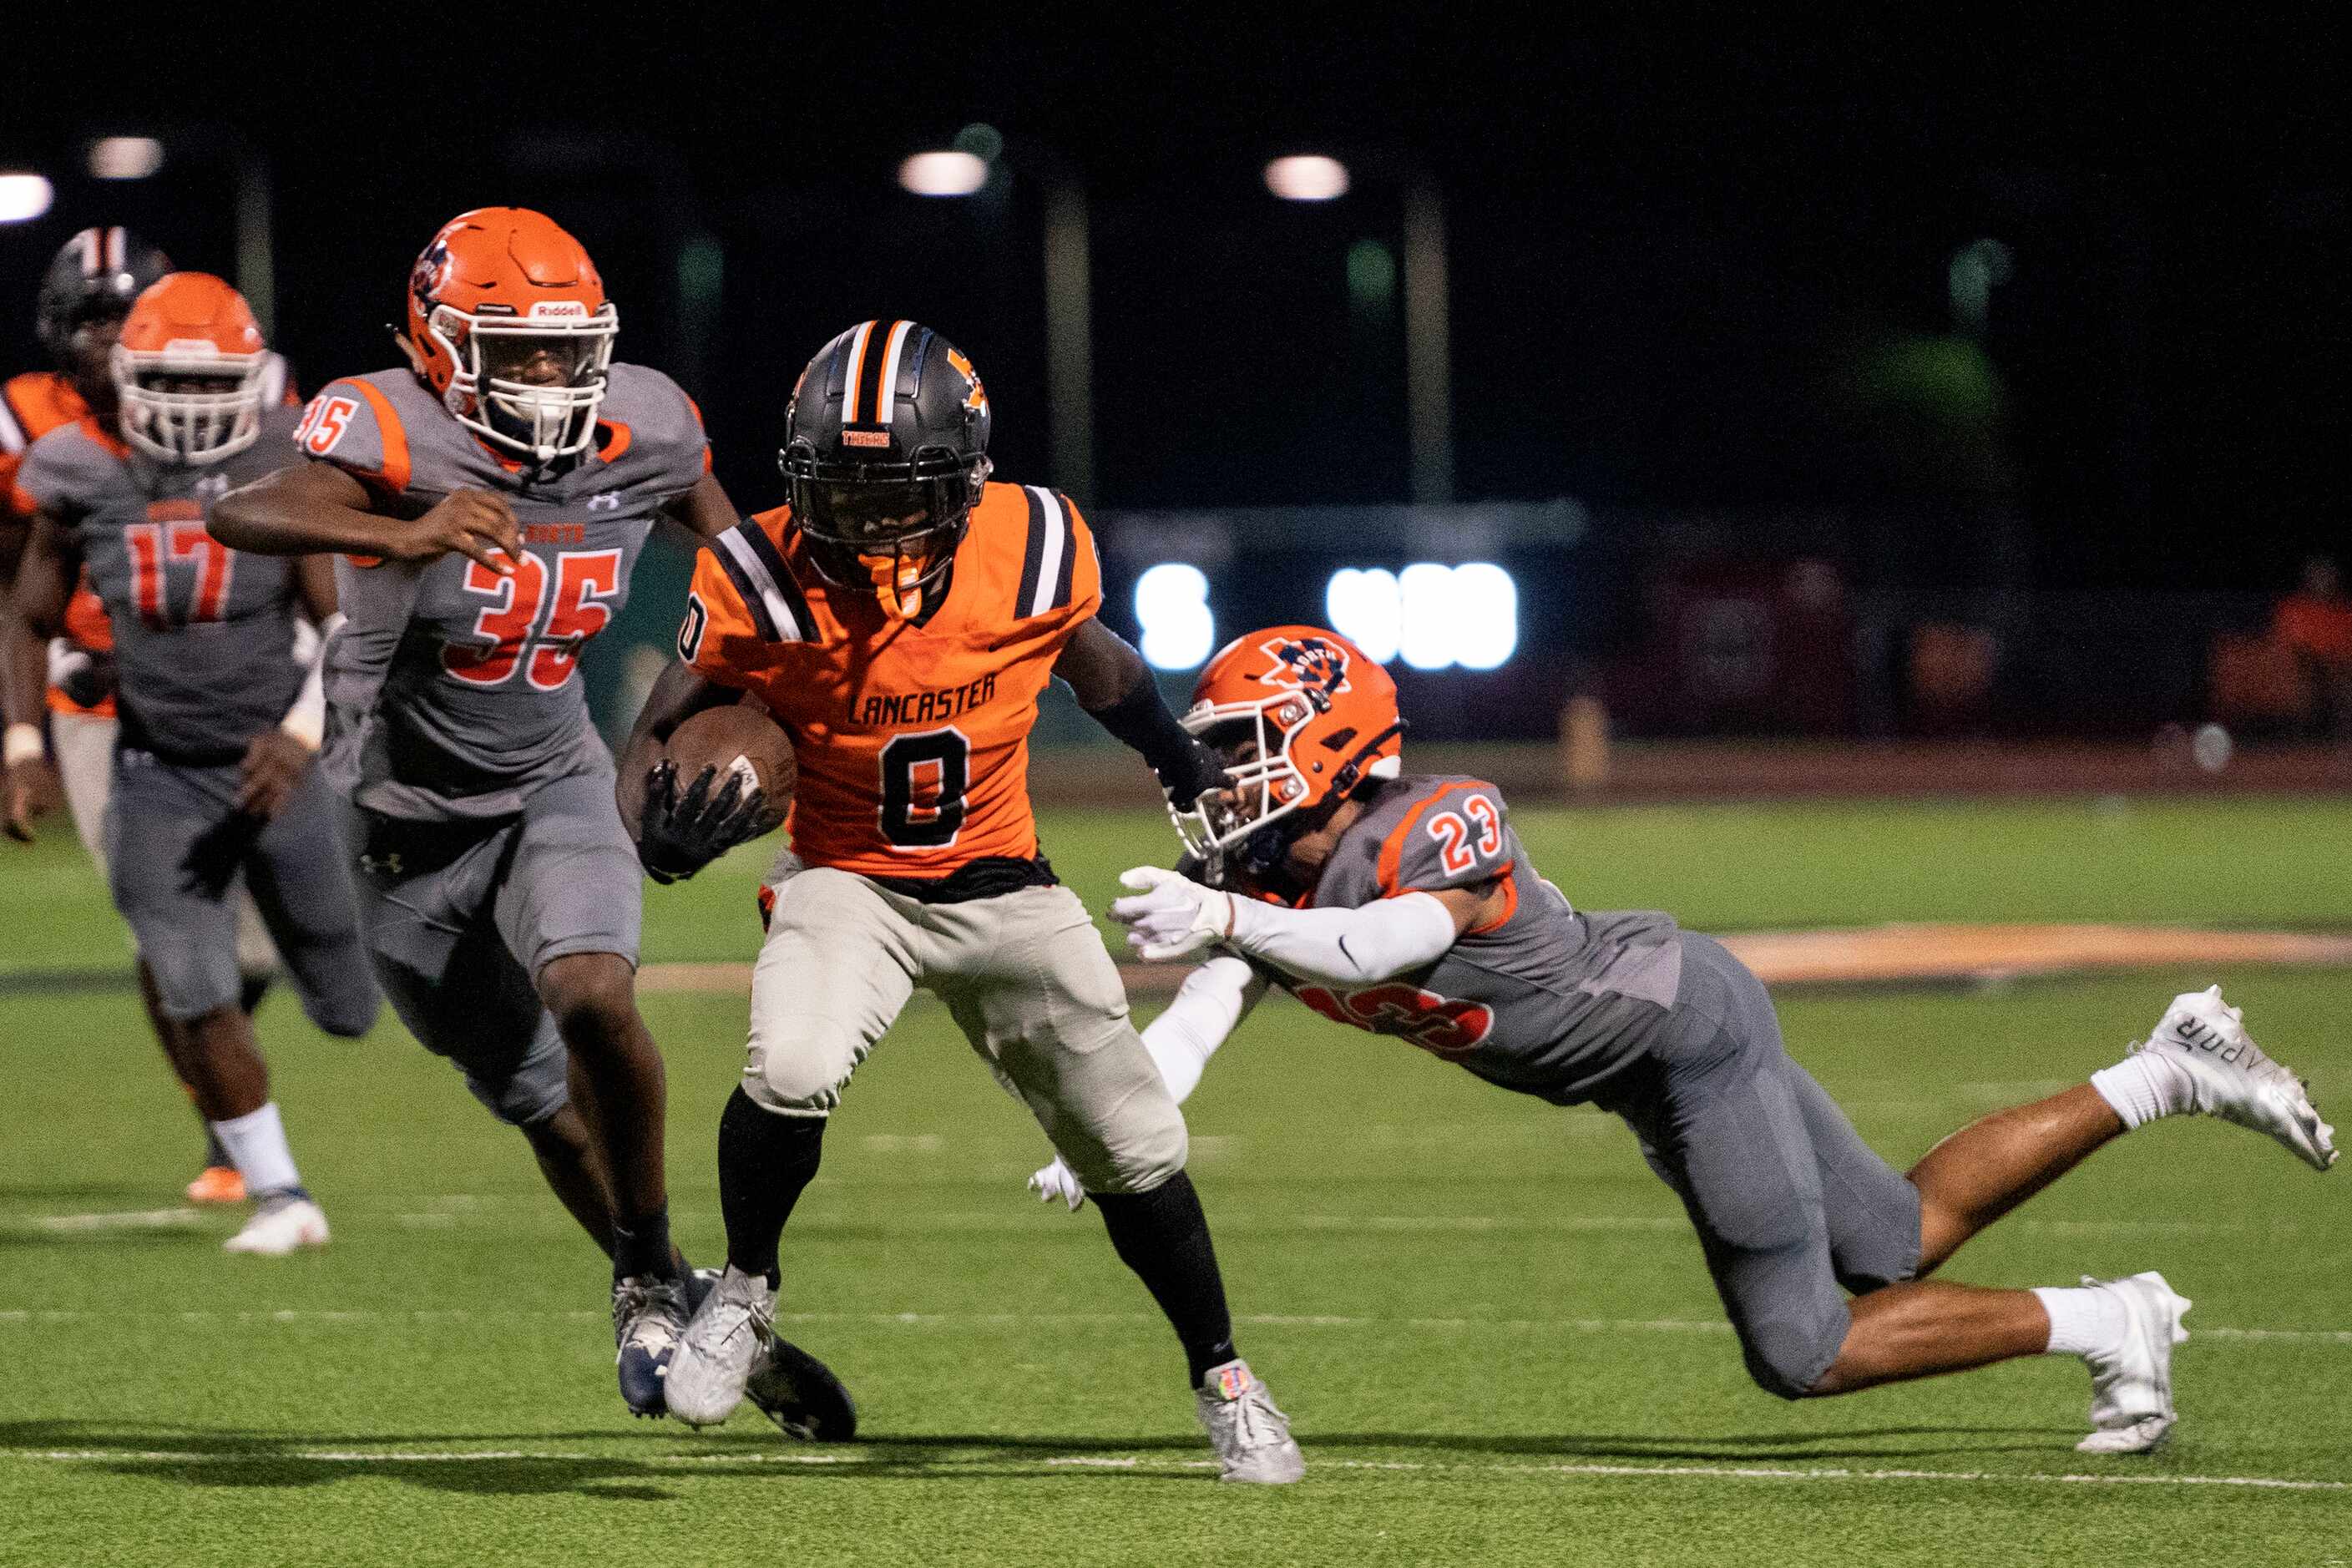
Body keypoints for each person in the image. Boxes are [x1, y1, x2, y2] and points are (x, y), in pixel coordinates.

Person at [1038, 624, 2336, 1454]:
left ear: (1331, 742)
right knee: (1891, 1240)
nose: (1214, 777)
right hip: (1641, 1054)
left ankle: (2113, 1318)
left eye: (1240, 747)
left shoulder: (1440, 817)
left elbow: (1379, 948)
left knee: (1803, 1347)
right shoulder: (1260, 875)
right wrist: (1125, 1109)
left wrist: (1216, 913)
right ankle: (2169, 1066)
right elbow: (1205, 1008)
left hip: (1678, 1029)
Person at [620, 320, 1305, 1482]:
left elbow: (1099, 661)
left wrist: (1174, 755)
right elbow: (658, 729)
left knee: (1133, 1143)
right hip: (847, 879)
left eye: (896, 490)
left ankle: (1226, 1377)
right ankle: (741, 1292)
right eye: (839, 486)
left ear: (966, 474)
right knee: (787, 1065)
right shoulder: (754, 571)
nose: (867, 517)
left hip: (1004, 880)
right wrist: (657, 830)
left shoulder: (1031, 542)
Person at [210, 208, 746, 1416]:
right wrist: (403, 528)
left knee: (594, 994)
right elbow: (242, 511)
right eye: (519, 349)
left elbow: (743, 566)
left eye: (567, 348)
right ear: (441, 340)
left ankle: (651, 1277)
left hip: (553, 780)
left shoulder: (645, 425)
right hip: (396, 824)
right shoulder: (389, 423)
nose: (550, 374)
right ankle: (654, 1277)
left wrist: (756, 710)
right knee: (544, 1112)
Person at [3, 272, 378, 1254]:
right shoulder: (78, 464)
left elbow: (343, 626)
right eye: (168, 379)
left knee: (347, 1002)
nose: (190, 403)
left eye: (214, 384)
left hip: (277, 760)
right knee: (189, 977)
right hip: (156, 766)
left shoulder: (289, 453)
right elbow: (30, 616)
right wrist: (21, 743)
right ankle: (280, 1194)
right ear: (126, 376)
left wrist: (299, 738)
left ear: (255, 383)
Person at [2272, 555, 2352, 740]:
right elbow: (2287, 645)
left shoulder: (2344, 611)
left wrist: (2334, 661)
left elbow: (2344, 648)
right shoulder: (2293, 608)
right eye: (2317, 577)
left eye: (2326, 577)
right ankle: (2300, 738)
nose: (2322, 583)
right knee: (2306, 675)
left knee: (2343, 681)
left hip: (2337, 669)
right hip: (2305, 669)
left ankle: (2342, 740)